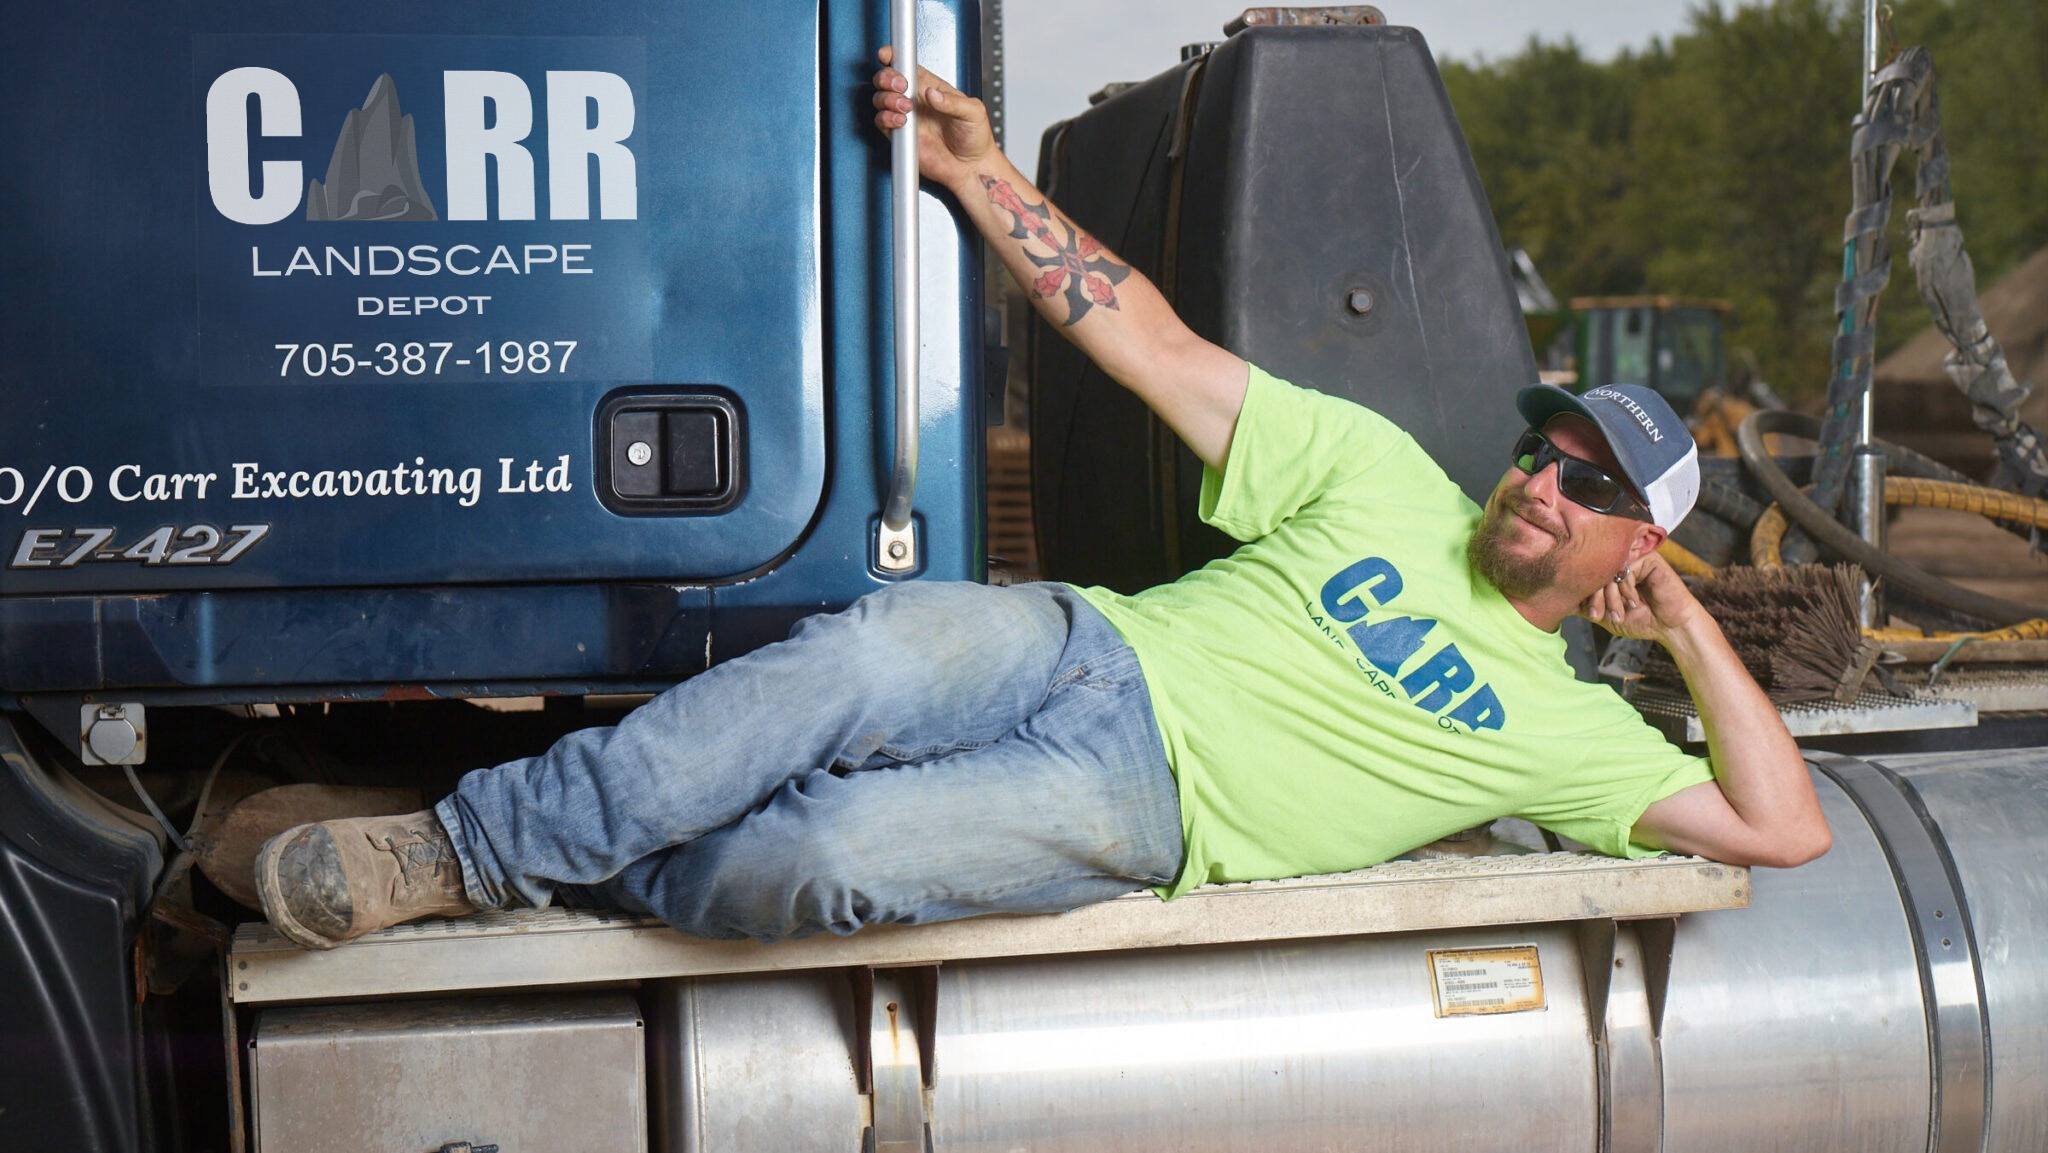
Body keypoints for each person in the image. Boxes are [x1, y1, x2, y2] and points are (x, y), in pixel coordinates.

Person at [253, 50, 1830, 951]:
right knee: (851, 663)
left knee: (824, 861)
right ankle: (458, 851)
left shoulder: (1575, 738)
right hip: (1089, 648)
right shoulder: (1378, 474)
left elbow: (1784, 827)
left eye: (1595, 481)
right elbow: (1144, 336)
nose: (1545, 480)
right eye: (1546, 446)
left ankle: (602, 852)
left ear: (1645, 535)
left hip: (1152, 813)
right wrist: (977, 171)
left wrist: (1689, 630)